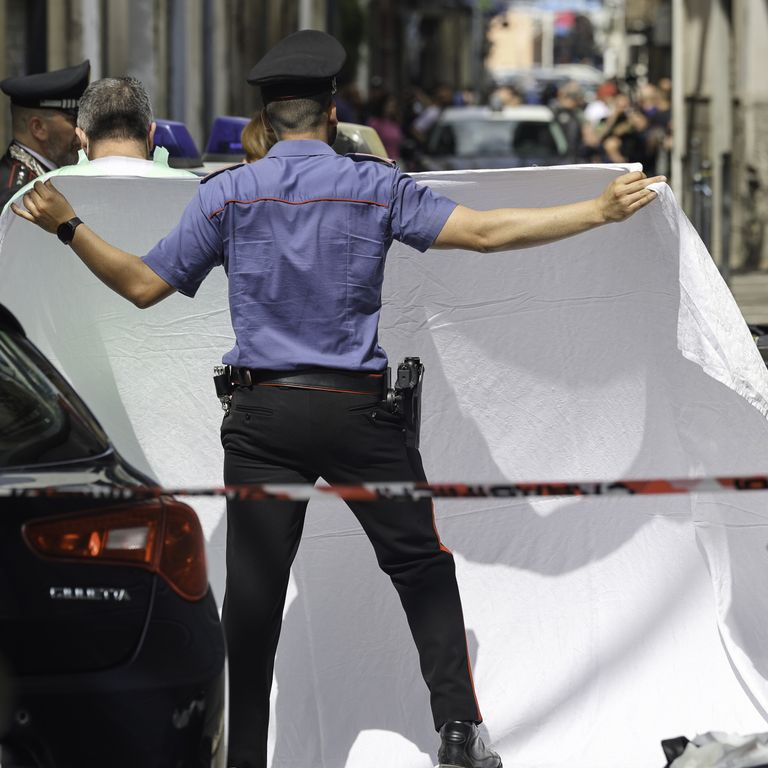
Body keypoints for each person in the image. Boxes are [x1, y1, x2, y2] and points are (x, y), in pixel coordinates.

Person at [11, 29, 665, 768]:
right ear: (329, 112)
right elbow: (483, 233)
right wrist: (597, 211)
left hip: (261, 420)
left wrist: (67, 222)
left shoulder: (226, 192)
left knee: (253, 604)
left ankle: (247, 758)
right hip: (361, 413)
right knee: (421, 568)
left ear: (266, 115)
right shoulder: (374, 183)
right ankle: (457, 730)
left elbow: (140, 285)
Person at [2, 76, 197, 215]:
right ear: (151, 135)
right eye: (71, 118)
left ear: (83, 138)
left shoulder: (27, 197)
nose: (75, 136)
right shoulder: (199, 194)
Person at [0, 60, 90, 209]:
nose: (81, 131)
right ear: (38, 128)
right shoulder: (17, 195)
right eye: (74, 120)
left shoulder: (36, 179)